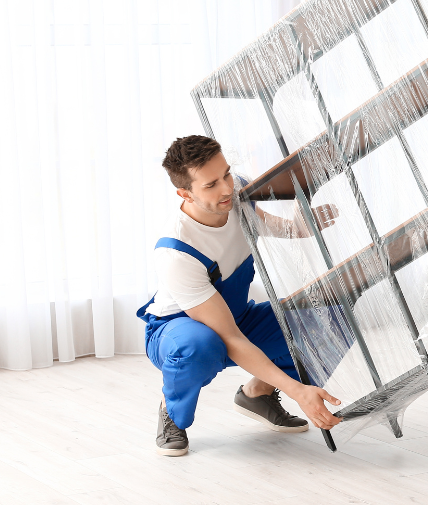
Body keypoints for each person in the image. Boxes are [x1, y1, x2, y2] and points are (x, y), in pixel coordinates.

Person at [139, 135, 343, 456]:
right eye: (210, 185)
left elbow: (272, 226)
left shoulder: (236, 197)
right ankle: (173, 409)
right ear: (184, 193)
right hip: (176, 331)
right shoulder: (177, 251)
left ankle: (258, 395)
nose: (226, 189)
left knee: (330, 318)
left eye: (227, 174)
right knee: (200, 345)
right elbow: (230, 339)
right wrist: (298, 391)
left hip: (235, 316)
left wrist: (301, 227)